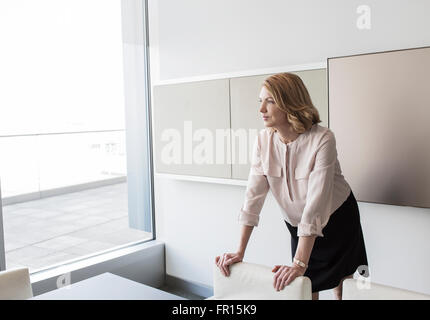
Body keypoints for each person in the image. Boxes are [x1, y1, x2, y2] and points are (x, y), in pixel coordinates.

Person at [215, 72, 368, 300]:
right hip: (298, 225)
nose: (261, 110)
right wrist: (239, 252)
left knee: (343, 284)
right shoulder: (263, 141)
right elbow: (252, 198)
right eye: (260, 101)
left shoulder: (323, 139)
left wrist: (299, 262)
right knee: (304, 285)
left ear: (289, 103)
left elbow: (316, 204)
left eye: (270, 101)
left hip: (337, 220)